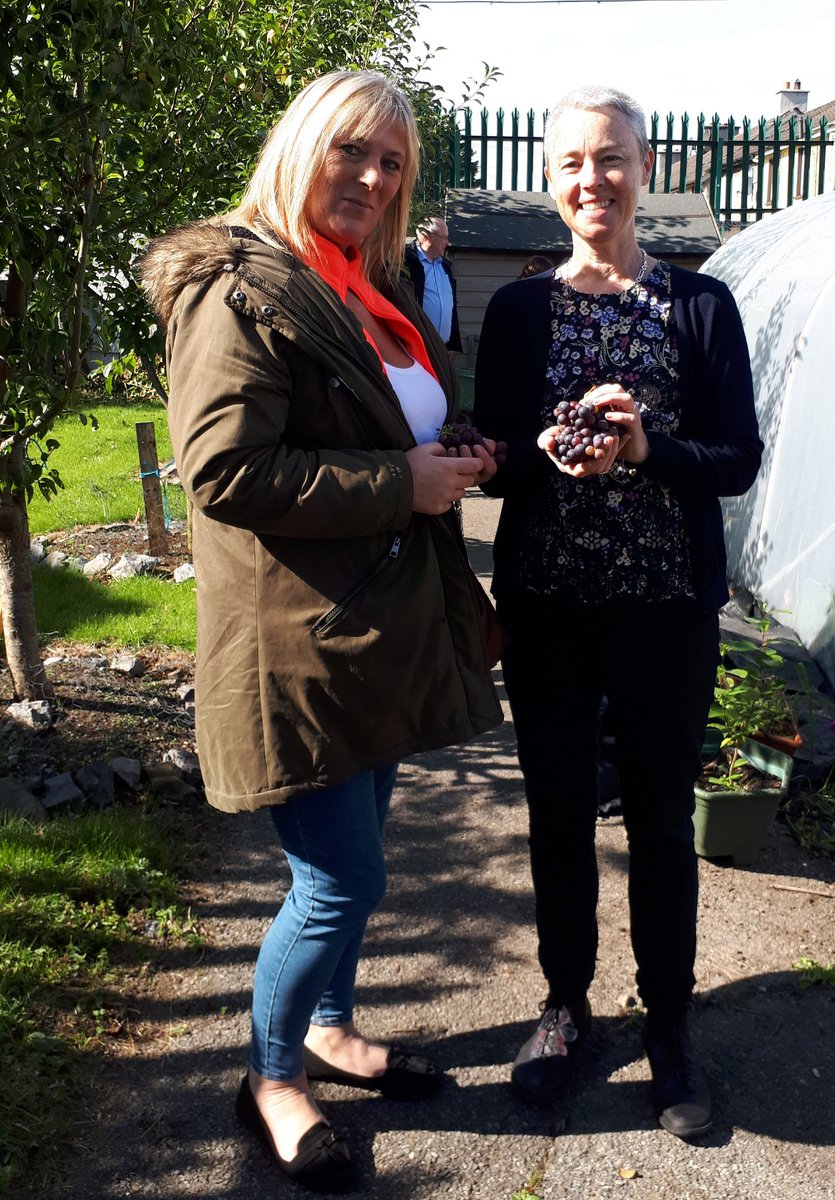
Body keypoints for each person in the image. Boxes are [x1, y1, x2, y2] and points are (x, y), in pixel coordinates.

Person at [141, 69, 502, 1195]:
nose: (371, 176)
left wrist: (456, 453)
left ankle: (335, 1029)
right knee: (336, 882)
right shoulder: (237, 285)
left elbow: (390, 424)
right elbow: (226, 469)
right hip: (297, 642)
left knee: (364, 862)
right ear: (302, 144)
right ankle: (270, 1078)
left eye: (391, 162)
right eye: (352, 149)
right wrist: (403, 482)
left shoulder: (360, 282)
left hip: (372, 634)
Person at [473, 84, 762, 1139]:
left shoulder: (698, 306)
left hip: (663, 611)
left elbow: (735, 458)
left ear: (643, 170)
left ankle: (670, 1025)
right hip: (549, 608)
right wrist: (533, 456)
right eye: (570, 164)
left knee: (657, 822)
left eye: (610, 159)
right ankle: (563, 1006)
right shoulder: (517, 309)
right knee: (554, 811)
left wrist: (648, 449)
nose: (591, 179)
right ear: (550, 182)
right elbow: (495, 448)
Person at [403, 216, 463, 352]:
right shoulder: (407, 263)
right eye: (444, 238)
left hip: (443, 349)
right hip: (415, 347)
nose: (447, 243)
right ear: (426, 237)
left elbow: (450, 306)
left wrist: (451, 343)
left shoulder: (445, 266)